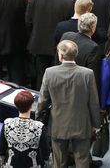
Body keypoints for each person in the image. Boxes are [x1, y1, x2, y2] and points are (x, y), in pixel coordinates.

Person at [37, 40, 100, 168]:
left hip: (58, 125)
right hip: (82, 124)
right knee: (82, 160)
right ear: (75, 54)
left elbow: (43, 100)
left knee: (59, 162)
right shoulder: (87, 74)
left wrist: (38, 117)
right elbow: (93, 102)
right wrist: (96, 124)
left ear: (60, 56)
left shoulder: (49, 72)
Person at [26, 0, 75, 88]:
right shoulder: (69, 0)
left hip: (39, 43)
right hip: (58, 46)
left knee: (40, 77)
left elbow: (28, 21)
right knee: (57, 79)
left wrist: (34, 35)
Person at [0, 89, 49, 167]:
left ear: (16, 106)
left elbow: (2, 150)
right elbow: (46, 153)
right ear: (31, 106)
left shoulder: (7, 123)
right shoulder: (39, 126)